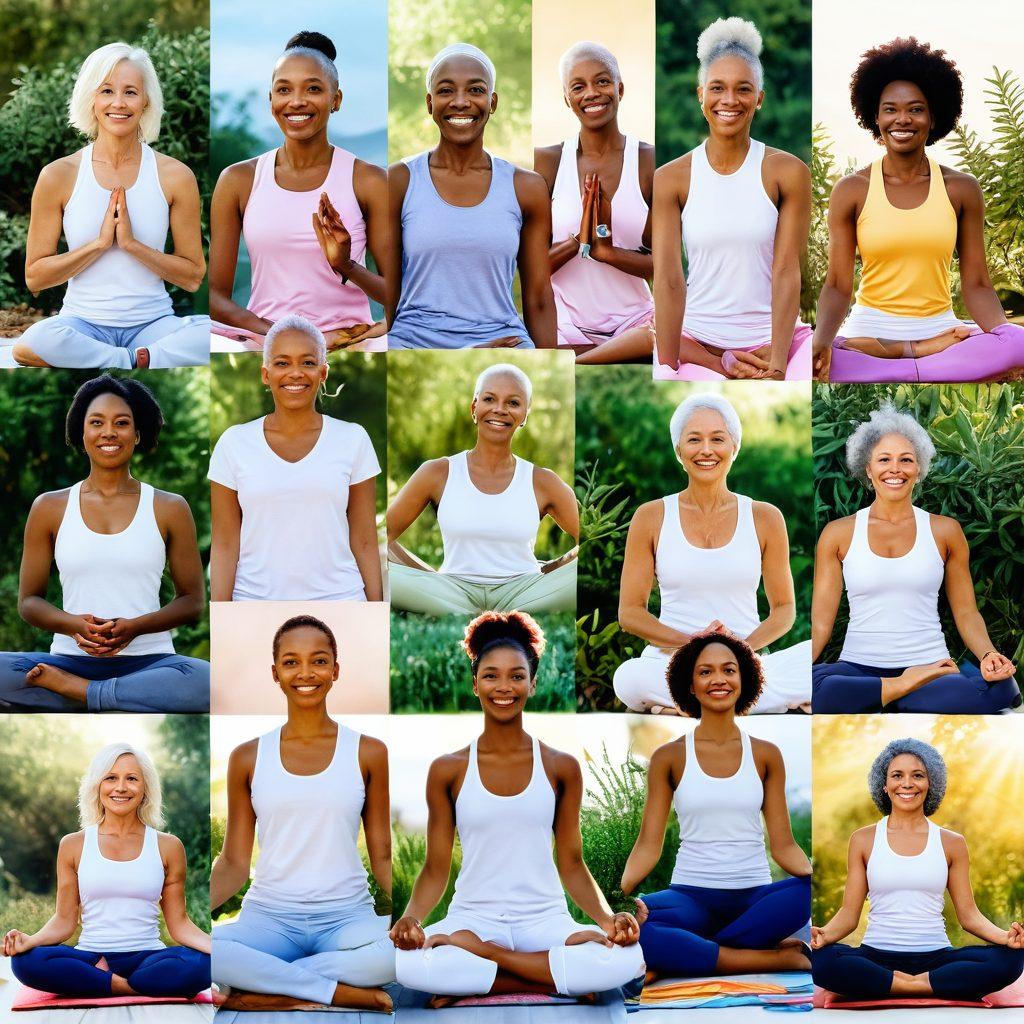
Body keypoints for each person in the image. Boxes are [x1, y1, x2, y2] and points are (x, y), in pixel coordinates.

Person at [391, 612, 645, 1003]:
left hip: (543, 919)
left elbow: (573, 864)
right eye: (491, 675)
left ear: (533, 682)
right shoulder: (448, 770)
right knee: (404, 965)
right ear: (475, 684)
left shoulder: (562, 767)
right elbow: (435, 867)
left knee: (627, 960)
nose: (503, 687)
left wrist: (608, 919)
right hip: (472, 918)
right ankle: (545, 977)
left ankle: (488, 963)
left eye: (516, 675)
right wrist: (411, 919)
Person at [210, 616, 394, 1012]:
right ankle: (335, 991)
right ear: (275, 673)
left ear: (336, 670)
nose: (306, 673)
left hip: (347, 918)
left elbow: (382, 856)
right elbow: (234, 862)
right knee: (203, 951)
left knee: (406, 953)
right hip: (268, 920)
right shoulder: (247, 756)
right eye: (291, 662)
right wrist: (189, 913)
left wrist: (416, 916)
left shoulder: (369, 752)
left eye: (319, 661)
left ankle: (270, 986)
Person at [813, 38, 1024, 383]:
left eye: (915, 109)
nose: (902, 120)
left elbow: (977, 283)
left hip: (944, 335)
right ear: (875, 116)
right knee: (818, 352)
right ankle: (912, 355)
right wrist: (821, 343)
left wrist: (1003, 341)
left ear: (933, 115)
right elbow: (837, 285)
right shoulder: (852, 190)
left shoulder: (961, 189)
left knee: (1020, 343)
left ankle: (914, 357)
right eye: (890, 109)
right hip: (867, 337)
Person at [0, 376, 207, 712]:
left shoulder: (170, 507)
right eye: (96, 422)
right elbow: (29, 602)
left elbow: (192, 601)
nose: (109, 432)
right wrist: (75, 625)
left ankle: (78, 695)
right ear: (82, 434)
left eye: (122, 423)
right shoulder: (49, 507)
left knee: (206, 681)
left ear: (137, 434)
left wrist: (135, 628)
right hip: (68, 661)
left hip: (150, 664)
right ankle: (107, 696)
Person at [621, 633, 811, 980]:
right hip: (690, 898)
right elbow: (648, 845)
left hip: (754, 898)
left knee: (810, 891)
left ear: (744, 679)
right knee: (635, 923)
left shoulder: (767, 754)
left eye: (729, 670)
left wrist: (819, 879)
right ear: (690, 685)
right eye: (705, 672)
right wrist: (616, 900)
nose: (719, 680)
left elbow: (783, 847)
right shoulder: (669, 757)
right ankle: (767, 958)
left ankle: (692, 952)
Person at [813, 402, 1019, 714]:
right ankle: (898, 692)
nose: (894, 469)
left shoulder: (945, 531)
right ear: (868, 468)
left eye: (905, 460)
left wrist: (989, 655)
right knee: (813, 688)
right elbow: (819, 624)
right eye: (884, 459)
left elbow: (966, 612)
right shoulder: (838, 533)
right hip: (858, 668)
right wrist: (797, 672)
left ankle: (881, 696)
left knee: (1004, 688)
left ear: (919, 468)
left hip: (930, 668)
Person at [14, 43, 208, 369]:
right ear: (91, 98)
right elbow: (35, 277)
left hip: (153, 324)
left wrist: (131, 245)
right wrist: (100, 244)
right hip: (83, 324)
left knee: (209, 334)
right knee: (31, 344)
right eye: (107, 90)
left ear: (146, 101)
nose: (118, 103)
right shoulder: (58, 175)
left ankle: (125, 357)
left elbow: (192, 277)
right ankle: (130, 360)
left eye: (130, 92)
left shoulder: (175, 175)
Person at [613, 393, 810, 715]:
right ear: (679, 451)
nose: (706, 450)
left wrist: (740, 650)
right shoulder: (651, 516)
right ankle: (747, 701)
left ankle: (688, 704)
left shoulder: (765, 517)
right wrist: (693, 644)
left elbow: (785, 610)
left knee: (814, 655)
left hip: (744, 666)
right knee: (628, 677)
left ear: (735, 447)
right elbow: (630, 614)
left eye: (717, 439)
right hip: (672, 664)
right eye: (694, 440)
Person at [653, 19, 811, 381]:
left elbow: (787, 270)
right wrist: (670, 362)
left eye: (743, 89)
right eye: (717, 88)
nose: (729, 100)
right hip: (696, 340)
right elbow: (668, 280)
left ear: (759, 99)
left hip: (775, 340)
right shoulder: (669, 178)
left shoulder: (788, 172)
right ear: (700, 95)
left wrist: (777, 362)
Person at [209, 31, 387, 352]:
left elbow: (399, 295)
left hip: (349, 340)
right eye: (284, 90)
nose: (297, 101)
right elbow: (216, 298)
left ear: (336, 99)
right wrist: (281, 334)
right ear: (271, 100)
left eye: (313, 89)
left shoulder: (370, 181)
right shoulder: (237, 180)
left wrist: (346, 265)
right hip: (266, 339)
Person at [812, 738, 1024, 1002]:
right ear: (885, 785)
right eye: (897, 776)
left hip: (937, 958)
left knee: (1011, 960)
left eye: (918, 775)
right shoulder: (863, 839)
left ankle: (901, 985)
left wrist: (1006, 938)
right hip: (876, 956)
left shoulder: (952, 842)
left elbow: (969, 916)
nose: (907, 784)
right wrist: (824, 935)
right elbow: (849, 914)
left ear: (930, 783)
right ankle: (921, 986)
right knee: (822, 961)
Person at [2, 744, 210, 999]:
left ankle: (103, 983)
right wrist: (30, 941)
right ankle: (129, 986)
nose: (121, 787)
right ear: (97, 786)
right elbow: (64, 921)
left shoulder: (168, 846)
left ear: (145, 788)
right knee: (25, 962)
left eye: (131, 778)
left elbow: (179, 925)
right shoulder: (73, 845)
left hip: (148, 958)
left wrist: (218, 949)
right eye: (111, 778)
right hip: (91, 956)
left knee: (204, 965)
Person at [385, 44, 556, 349]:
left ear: (492, 102)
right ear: (429, 102)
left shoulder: (526, 188)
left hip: (501, 339)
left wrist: (550, 360)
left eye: (475, 90)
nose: (461, 102)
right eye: (446, 90)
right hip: (414, 342)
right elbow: (387, 292)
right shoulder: (399, 181)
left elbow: (539, 297)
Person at [209, 315, 382, 602]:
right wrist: (223, 615)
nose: (296, 373)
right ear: (266, 374)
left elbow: (364, 540)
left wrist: (375, 611)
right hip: (254, 602)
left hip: (341, 599)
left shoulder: (353, 439)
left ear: (323, 373)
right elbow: (225, 543)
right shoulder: (233, 443)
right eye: (282, 363)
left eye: (308, 363)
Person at [387, 363, 577, 615]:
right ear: (474, 408)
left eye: (513, 403)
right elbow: (380, 536)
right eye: (489, 399)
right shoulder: (437, 472)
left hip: (524, 593)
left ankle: (495, 612)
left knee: (579, 576)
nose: (500, 409)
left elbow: (592, 541)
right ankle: (462, 609)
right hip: (452, 591)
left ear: (525, 415)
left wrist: (548, 571)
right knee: (377, 564)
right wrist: (430, 578)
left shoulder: (542, 481)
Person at [534, 41, 654, 363]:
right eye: (578, 86)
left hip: (637, 325)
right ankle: (589, 357)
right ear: (566, 98)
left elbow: (663, 264)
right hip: (565, 324)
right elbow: (531, 268)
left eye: (602, 81)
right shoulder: (546, 163)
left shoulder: (648, 162)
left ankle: (580, 362)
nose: (592, 93)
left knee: (662, 335)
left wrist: (609, 253)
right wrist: (578, 242)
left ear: (620, 88)